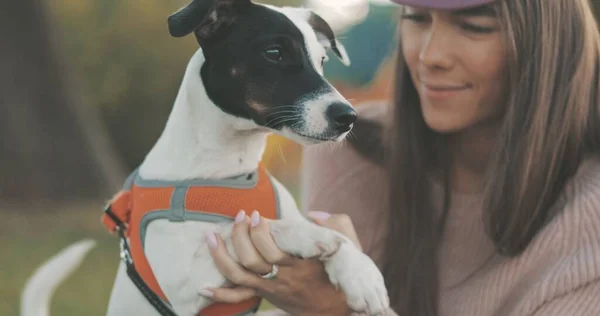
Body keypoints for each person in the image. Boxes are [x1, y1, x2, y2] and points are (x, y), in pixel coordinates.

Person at [201, 0, 600, 315]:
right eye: (416, 18)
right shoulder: (351, 149)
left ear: (550, 41)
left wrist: (335, 311)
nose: (430, 55)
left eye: (474, 26)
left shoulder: (589, 221)